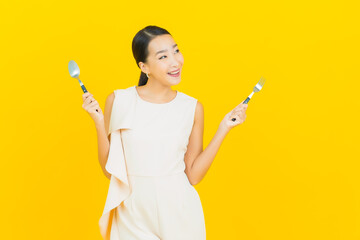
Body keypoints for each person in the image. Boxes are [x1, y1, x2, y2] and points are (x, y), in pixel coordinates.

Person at [81, 25, 248, 240]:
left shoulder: (192, 107)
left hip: (180, 213)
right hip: (132, 214)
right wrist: (98, 122)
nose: (175, 61)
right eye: (163, 57)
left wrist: (224, 128)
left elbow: (194, 175)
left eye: (176, 51)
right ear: (144, 67)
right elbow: (109, 171)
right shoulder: (119, 101)